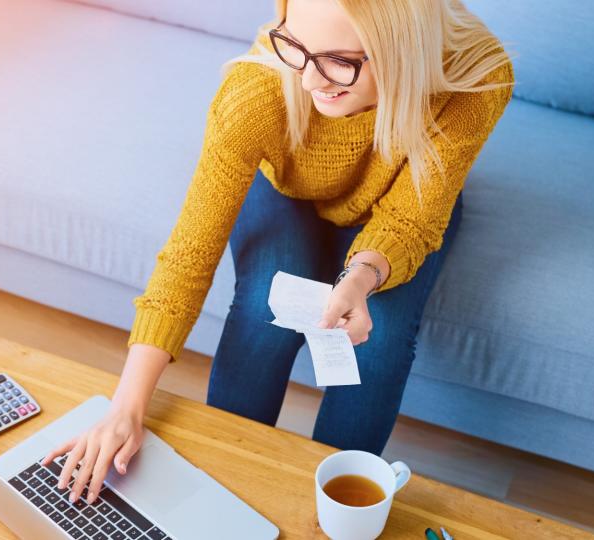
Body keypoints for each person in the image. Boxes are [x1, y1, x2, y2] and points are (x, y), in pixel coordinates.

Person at [43, 0, 515, 504]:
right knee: (264, 310)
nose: (310, 82)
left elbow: (410, 219)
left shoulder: (476, 77)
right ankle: (221, 488)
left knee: (380, 342)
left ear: (402, 50)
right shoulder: (259, 89)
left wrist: (361, 275)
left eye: (340, 61)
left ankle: (335, 499)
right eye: (294, 45)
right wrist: (126, 408)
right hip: (285, 188)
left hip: (404, 201)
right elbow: (188, 255)